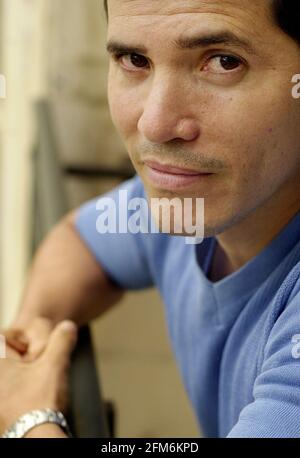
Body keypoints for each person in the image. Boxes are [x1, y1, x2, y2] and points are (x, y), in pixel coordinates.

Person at [1, 0, 300, 438]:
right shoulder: (193, 201)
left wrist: (28, 420)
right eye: (134, 59)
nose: (156, 124)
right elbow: (80, 241)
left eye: (223, 62)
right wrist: (32, 344)